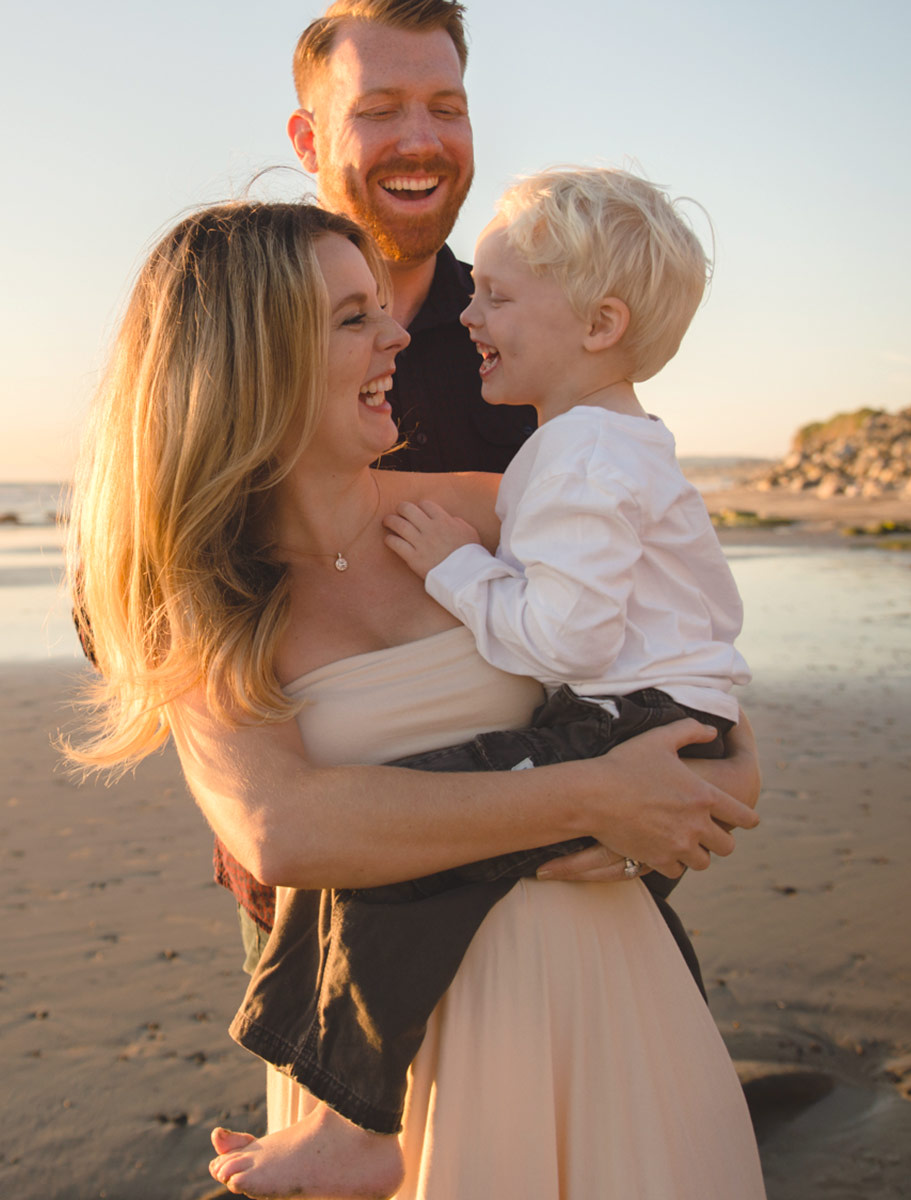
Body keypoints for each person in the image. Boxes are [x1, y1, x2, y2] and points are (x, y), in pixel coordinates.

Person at [65, 202, 764, 1198]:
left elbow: (674, 638)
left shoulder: (486, 506)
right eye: (354, 319)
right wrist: (597, 796)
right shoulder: (204, 596)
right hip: (380, 1070)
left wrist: (732, 764)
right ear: (252, 362)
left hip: (608, 1001)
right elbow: (280, 827)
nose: (400, 333)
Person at [204, 0, 719, 1015]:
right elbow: (133, 592)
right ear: (308, 138)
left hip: (573, 853)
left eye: (448, 105)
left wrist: (721, 767)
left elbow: (660, 571)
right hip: (331, 899)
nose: (422, 140)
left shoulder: (537, 329)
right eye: (381, 108)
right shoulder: (226, 335)